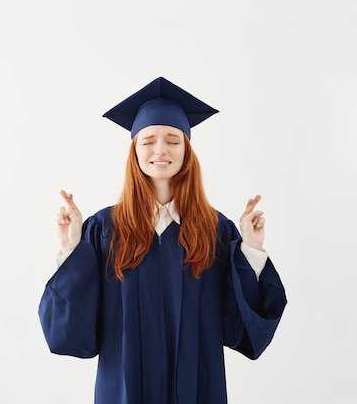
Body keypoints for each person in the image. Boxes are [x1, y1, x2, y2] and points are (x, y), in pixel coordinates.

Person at [38, 77, 287, 404]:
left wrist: (251, 251)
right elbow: (72, 332)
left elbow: (238, 328)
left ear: (187, 150)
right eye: (148, 141)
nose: (160, 150)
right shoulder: (104, 228)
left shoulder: (215, 230)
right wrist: (71, 250)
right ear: (134, 151)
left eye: (172, 140)